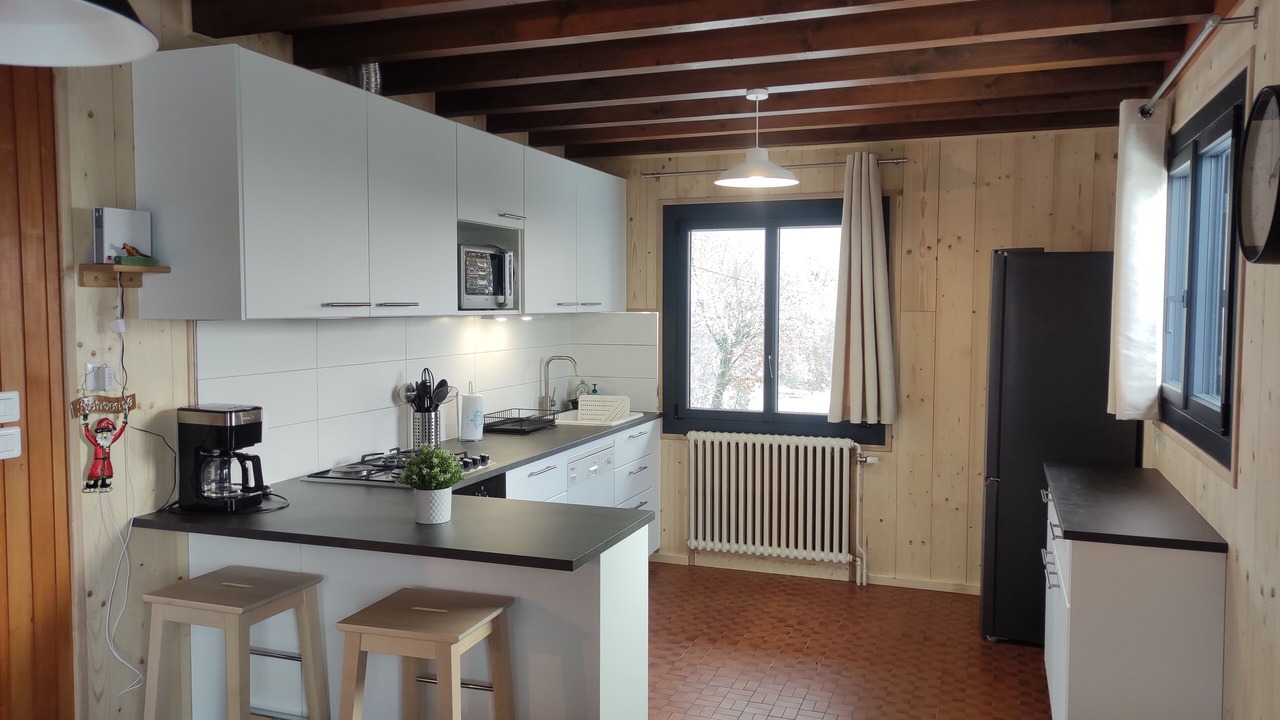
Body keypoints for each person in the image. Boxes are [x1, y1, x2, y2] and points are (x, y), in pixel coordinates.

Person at [82, 412, 127, 492]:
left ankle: (103, 483)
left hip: (106, 461)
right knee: (96, 472)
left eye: (106, 433)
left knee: (105, 472)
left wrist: (124, 424)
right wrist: (86, 426)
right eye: (102, 433)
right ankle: (95, 483)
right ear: (99, 433)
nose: (105, 435)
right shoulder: (96, 442)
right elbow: (88, 435)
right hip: (98, 461)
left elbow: (118, 434)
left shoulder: (109, 442)